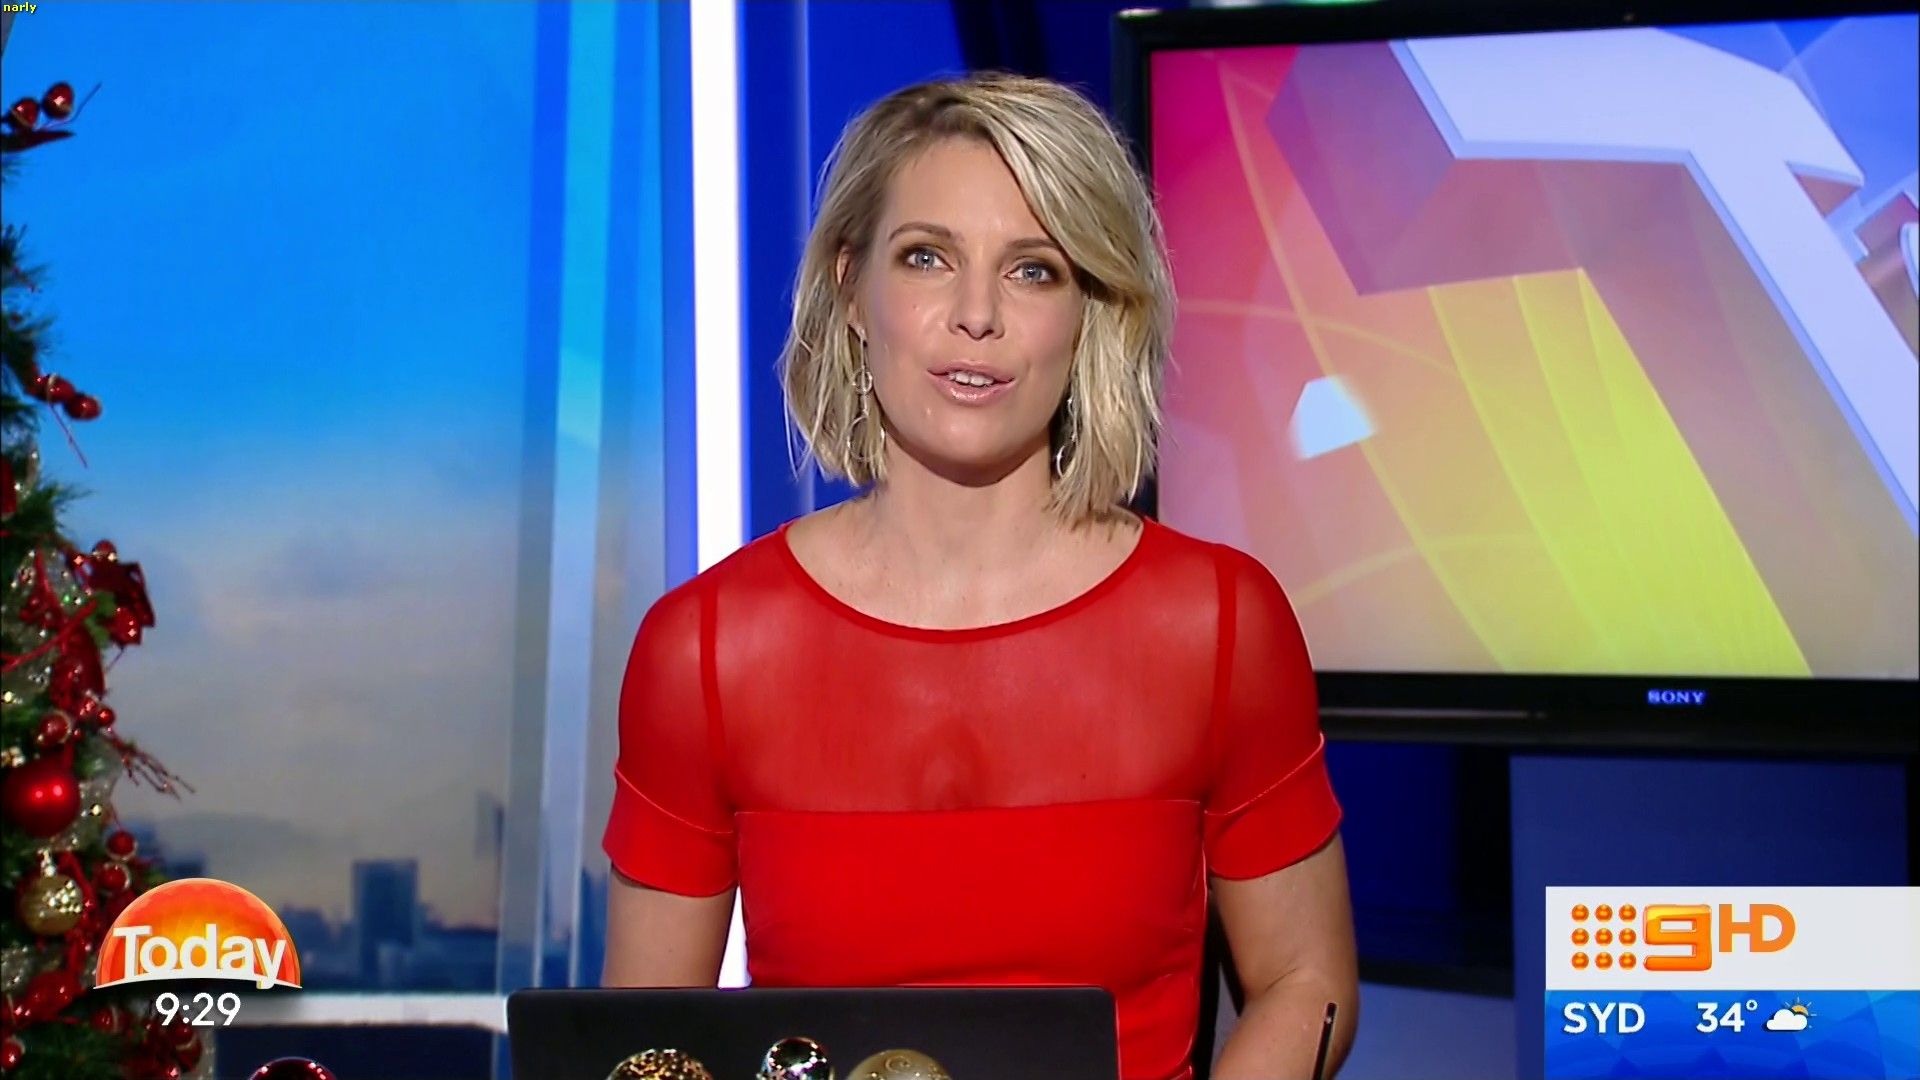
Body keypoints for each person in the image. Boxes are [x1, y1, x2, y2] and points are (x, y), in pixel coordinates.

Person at [601, 72, 1357, 1080]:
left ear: (1091, 310)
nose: (976, 316)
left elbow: (1307, 980)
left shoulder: (1218, 623)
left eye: (1034, 271)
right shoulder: (706, 648)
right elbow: (646, 1052)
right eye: (927, 258)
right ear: (850, 289)